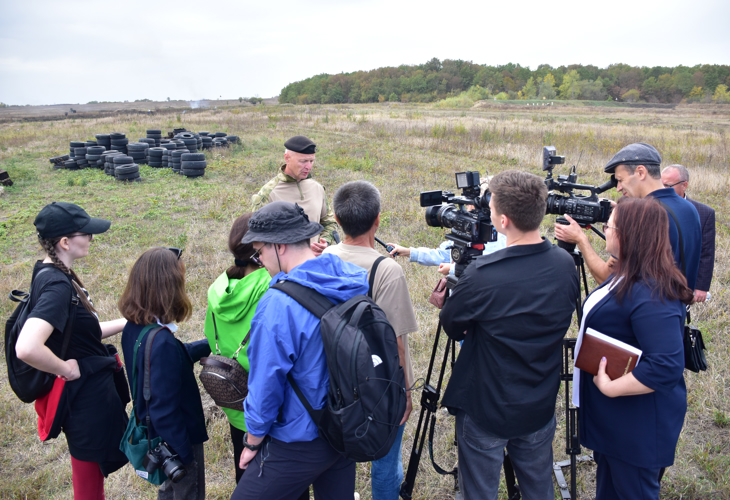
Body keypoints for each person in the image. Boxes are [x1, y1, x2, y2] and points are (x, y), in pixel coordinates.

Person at [439, 170, 578, 499]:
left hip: (487, 407)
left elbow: (452, 325)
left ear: (502, 221)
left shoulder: (483, 275)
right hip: (539, 403)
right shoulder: (565, 264)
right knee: (538, 486)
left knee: (479, 490)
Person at [231, 201, 369, 500]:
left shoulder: (278, 304)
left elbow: (266, 382)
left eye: (260, 251)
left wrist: (253, 440)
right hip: (344, 424)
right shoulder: (350, 277)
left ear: (279, 246)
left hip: (299, 438)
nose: (260, 260)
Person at [574, 197, 691, 499]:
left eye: (609, 225)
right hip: (617, 423)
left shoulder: (652, 293)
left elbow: (665, 365)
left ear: (628, 235)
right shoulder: (628, 273)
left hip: (635, 428)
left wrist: (612, 388)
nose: (605, 230)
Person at [16, 201, 128, 499]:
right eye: (86, 233)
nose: (92, 237)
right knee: (89, 482)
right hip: (83, 401)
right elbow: (27, 347)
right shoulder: (57, 286)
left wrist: (129, 321)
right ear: (65, 242)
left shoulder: (48, 270)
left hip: (85, 399)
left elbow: (83, 333)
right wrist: (66, 369)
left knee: (89, 475)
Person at [323, 181, 417, 500]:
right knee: (386, 462)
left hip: (335, 377)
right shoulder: (386, 270)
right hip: (378, 385)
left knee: (337, 457)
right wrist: (404, 393)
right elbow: (397, 343)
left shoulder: (322, 260)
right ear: (378, 219)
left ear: (336, 219)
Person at [119, 247, 211, 500]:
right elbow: (164, 409)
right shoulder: (163, 343)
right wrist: (185, 455)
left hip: (159, 439)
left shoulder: (135, 328)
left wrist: (210, 343)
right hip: (178, 441)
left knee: (169, 493)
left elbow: (163, 364)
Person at [554, 143, 702, 291]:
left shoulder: (643, 217)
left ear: (641, 172)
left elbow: (608, 278)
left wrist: (580, 239)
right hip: (676, 309)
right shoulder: (689, 209)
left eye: (620, 179)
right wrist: (620, 215)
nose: (618, 187)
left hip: (643, 310)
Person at [203, 213, 271, 484]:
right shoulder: (272, 287)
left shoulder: (218, 289)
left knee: (245, 479)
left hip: (235, 403)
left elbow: (210, 336)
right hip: (267, 411)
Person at [248, 135, 337, 256]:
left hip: (315, 263)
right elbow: (257, 237)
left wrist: (325, 242)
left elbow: (329, 222)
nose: (308, 166)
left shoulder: (317, 188)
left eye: (311, 161)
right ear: (287, 158)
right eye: (303, 161)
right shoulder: (268, 193)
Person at [661, 164, 715, 302]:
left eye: (668, 185)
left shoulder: (704, 213)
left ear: (684, 185)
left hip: (684, 281)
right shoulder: (653, 206)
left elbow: (706, 252)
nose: (663, 189)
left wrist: (701, 287)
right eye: (661, 185)